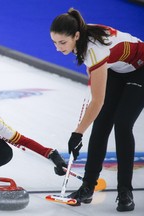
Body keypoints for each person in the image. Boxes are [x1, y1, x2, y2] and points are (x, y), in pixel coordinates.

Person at [50, 8, 144, 212]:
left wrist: (77, 133)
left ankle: (125, 192)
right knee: (101, 124)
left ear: (76, 36)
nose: (58, 48)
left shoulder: (94, 49)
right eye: (55, 42)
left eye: (62, 43)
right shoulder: (81, 35)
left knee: (122, 123)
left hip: (141, 69)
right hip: (119, 69)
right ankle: (87, 188)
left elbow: (97, 101)